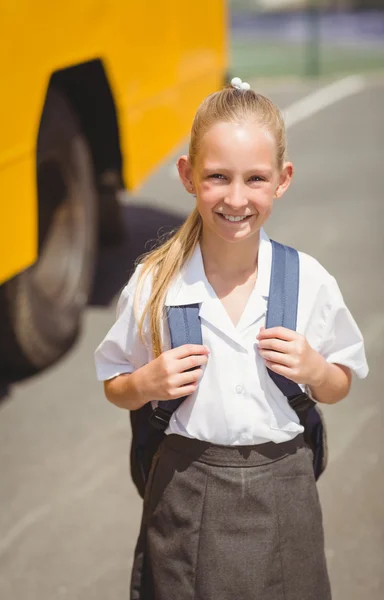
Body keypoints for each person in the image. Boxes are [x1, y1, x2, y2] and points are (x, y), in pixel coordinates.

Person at [94, 77, 368, 600]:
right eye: (218, 176)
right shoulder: (155, 283)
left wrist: (313, 370)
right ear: (188, 175)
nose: (237, 198)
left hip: (286, 492)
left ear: (282, 180)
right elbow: (114, 382)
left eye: (256, 179)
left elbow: (340, 384)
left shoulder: (307, 280)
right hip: (185, 493)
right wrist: (147, 382)